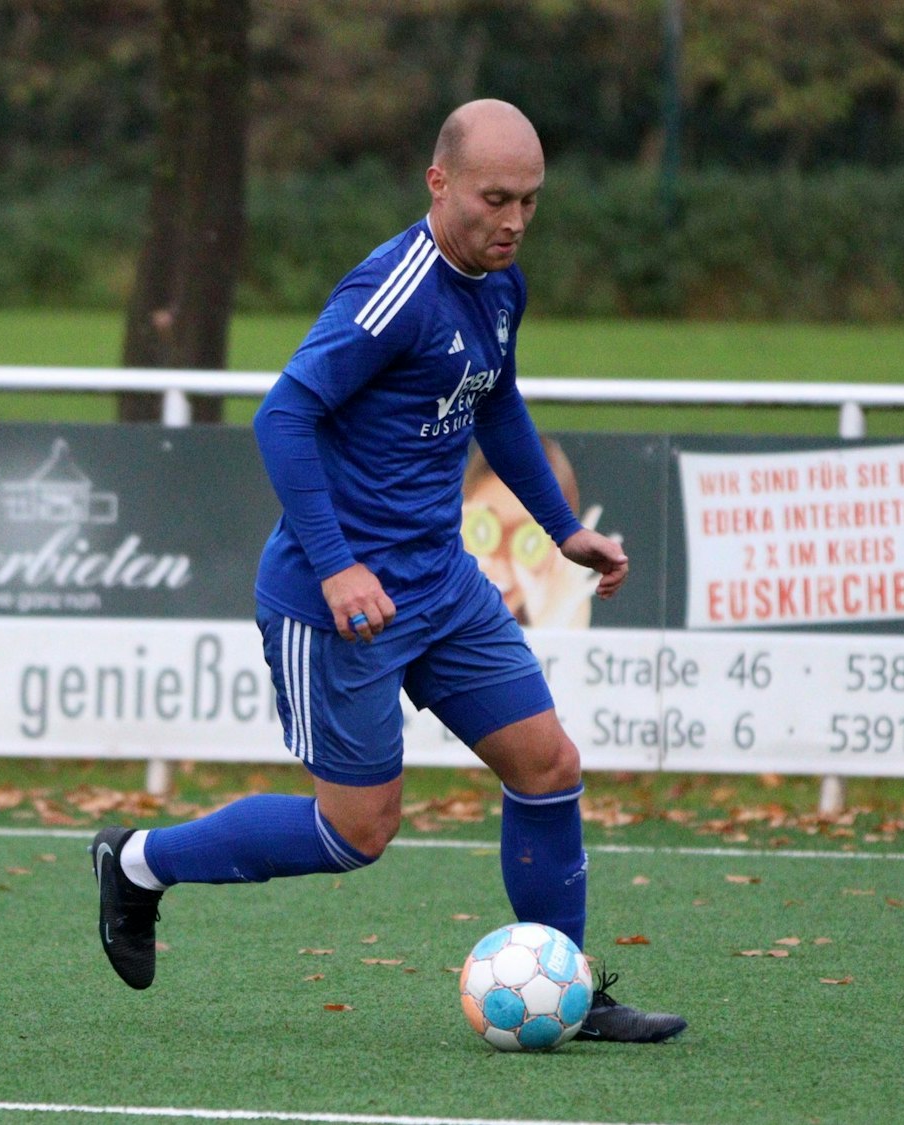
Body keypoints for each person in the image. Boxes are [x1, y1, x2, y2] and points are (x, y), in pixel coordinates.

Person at [91, 99, 685, 1043]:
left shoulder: (500, 285)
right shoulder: (393, 291)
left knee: (548, 765)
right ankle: (137, 864)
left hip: (442, 585)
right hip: (340, 605)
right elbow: (281, 417)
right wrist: (336, 570)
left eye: (531, 201)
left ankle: (565, 989)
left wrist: (564, 528)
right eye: (497, 198)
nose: (515, 220)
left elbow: (498, 406)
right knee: (355, 833)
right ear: (438, 182)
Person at [462, 436, 605, 629]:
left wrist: (553, 631)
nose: (500, 559)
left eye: (528, 536)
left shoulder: (567, 620)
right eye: (484, 528)